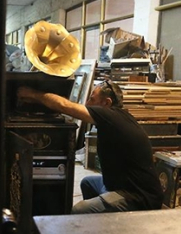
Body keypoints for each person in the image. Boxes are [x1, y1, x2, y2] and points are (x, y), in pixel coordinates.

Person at [18, 79, 162, 213]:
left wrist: (32, 93)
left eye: (92, 99)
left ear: (106, 103)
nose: (87, 103)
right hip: (121, 186)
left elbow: (64, 106)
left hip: (137, 197)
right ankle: (97, 224)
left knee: (78, 210)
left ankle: (92, 223)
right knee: (87, 183)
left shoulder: (109, 116)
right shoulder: (118, 117)